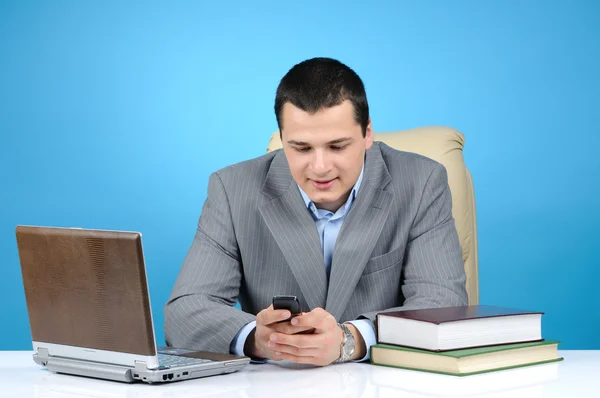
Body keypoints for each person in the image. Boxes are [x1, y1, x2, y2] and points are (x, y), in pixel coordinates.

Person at [164, 57, 467, 366]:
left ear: (368, 134)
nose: (320, 168)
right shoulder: (231, 189)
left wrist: (350, 339)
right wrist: (259, 339)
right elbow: (185, 312)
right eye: (301, 148)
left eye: (337, 146)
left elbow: (442, 303)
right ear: (282, 139)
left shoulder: (421, 182)